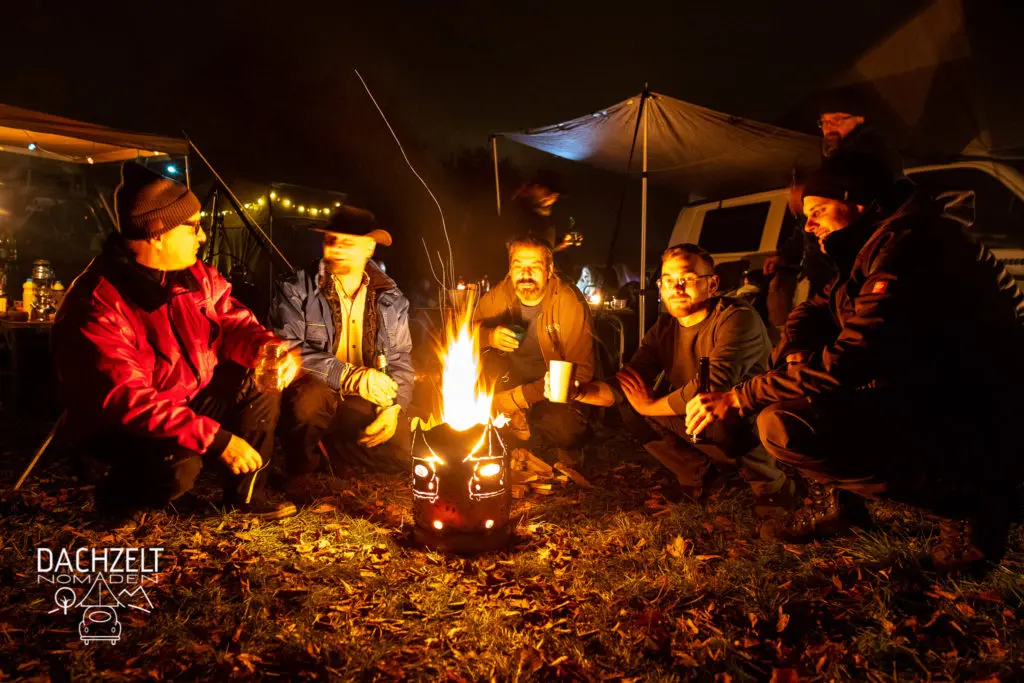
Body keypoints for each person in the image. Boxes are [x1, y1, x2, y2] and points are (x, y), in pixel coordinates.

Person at [687, 150, 1024, 570]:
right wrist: (796, 353)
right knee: (789, 401)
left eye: (819, 210)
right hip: (930, 396)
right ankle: (851, 510)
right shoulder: (873, 246)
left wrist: (741, 396)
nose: (809, 225)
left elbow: (853, 360)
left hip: (971, 412)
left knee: (784, 425)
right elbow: (815, 308)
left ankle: (971, 505)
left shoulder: (913, 245)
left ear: (860, 201)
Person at [53, 162, 299, 522]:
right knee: (180, 466)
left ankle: (245, 498)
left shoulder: (194, 275)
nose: (201, 237)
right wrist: (217, 439)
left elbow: (232, 323)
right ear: (157, 233)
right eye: (193, 227)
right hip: (117, 423)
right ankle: (117, 496)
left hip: (185, 398)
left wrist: (265, 350)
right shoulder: (100, 302)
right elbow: (127, 400)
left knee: (262, 381)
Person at [553, 244, 794, 512]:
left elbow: (713, 385)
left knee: (714, 409)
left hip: (744, 415)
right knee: (631, 399)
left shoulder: (736, 318)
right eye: (667, 281)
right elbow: (629, 378)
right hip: (693, 414)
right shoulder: (666, 327)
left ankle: (771, 484)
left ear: (712, 284)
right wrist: (578, 392)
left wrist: (651, 407)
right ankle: (698, 476)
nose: (676, 288)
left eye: (687, 279)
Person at [271, 206, 414, 483]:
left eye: (347, 243)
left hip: (359, 402)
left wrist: (393, 407)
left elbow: (400, 359)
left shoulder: (391, 297)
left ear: (369, 248)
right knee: (309, 400)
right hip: (314, 392)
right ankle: (301, 467)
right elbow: (287, 346)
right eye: (330, 240)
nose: (335, 249)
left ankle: (332, 451)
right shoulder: (296, 287)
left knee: (405, 453)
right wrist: (349, 375)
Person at [764, 89, 903, 329]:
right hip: (831, 268)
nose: (829, 127)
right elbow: (810, 225)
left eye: (837, 119)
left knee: (844, 322)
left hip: (844, 265)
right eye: (825, 121)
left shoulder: (868, 153)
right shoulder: (836, 156)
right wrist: (788, 254)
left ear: (860, 119)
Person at [475, 234, 595, 466]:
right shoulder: (502, 294)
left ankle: (542, 431)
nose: (525, 274)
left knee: (564, 430)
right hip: (512, 379)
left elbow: (581, 373)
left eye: (535, 267)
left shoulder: (568, 302)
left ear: (549, 270)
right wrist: (489, 336)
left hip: (554, 390)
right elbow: (463, 333)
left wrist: (516, 399)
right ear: (510, 269)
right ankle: (517, 427)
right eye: (518, 266)